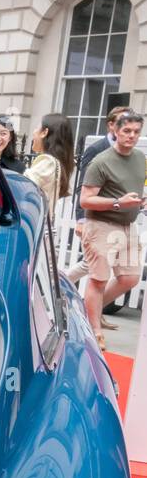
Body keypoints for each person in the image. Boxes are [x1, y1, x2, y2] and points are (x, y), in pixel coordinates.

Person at [78, 110, 146, 352]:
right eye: (126, 131)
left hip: (128, 226)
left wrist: (140, 200)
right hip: (101, 225)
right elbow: (85, 200)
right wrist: (118, 202)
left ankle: (84, 309)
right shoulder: (101, 161)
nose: (131, 135)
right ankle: (94, 330)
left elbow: (135, 187)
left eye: (136, 131)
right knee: (98, 279)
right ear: (115, 131)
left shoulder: (140, 158)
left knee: (130, 278)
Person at [26, 112, 75, 221]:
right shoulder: (56, 162)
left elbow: (23, 187)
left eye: (36, 128)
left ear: (44, 132)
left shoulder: (48, 162)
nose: (33, 132)